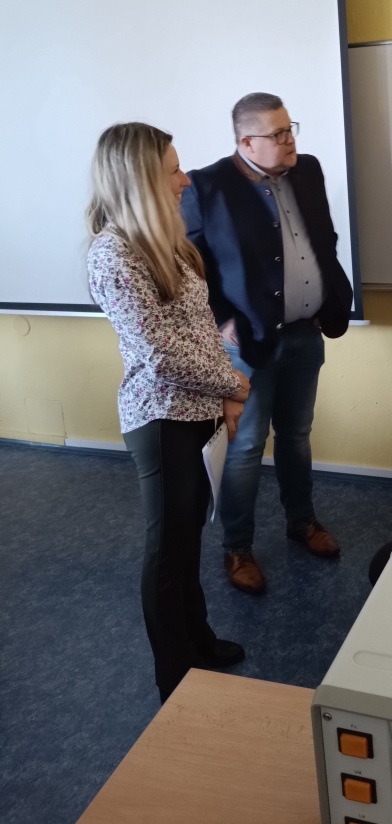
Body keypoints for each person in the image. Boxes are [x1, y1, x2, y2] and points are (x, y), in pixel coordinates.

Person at [86, 122, 252, 703]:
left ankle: (198, 640)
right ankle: (174, 675)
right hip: (161, 421)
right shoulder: (113, 254)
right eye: (173, 170)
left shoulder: (169, 242)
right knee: (167, 551)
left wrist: (225, 393)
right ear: (139, 179)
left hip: (199, 410)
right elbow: (158, 353)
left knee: (187, 541)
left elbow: (200, 330)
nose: (185, 180)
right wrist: (233, 383)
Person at [181, 92, 353, 594]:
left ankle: (303, 522)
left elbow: (324, 240)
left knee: (297, 434)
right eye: (277, 134)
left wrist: (325, 297)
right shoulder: (207, 185)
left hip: (304, 330)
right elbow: (192, 263)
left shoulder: (307, 170)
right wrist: (222, 322)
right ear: (245, 142)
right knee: (246, 447)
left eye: (290, 128)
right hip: (248, 343)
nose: (289, 140)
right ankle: (237, 547)